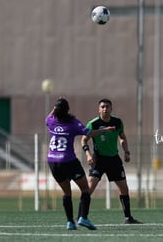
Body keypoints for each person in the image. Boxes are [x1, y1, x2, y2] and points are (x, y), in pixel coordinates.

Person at [46, 97, 114, 230]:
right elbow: (89, 133)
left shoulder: (51, 121)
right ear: (68, 109)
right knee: (85, 190)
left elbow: (50, 114)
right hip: (69, 161)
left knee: (67, 193)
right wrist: (105, 130)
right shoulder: (73, 123)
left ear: (55, 110)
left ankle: (70, 222)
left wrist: (55, 106)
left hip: (53, 162)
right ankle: (83, 217)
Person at [81, 98, 142, 224]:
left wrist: (126, 151)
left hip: (114, 159)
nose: (105, 109)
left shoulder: (117, 122)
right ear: (99, 109)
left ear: (111, 108)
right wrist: (88, 155)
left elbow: (122, 137)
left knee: (124, 188)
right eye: (102, 107)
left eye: (107, 106)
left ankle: (128, 218)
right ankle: (81, 216)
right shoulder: (93, 124)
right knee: (89, 188)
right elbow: (84, 140)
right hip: (99, 159)